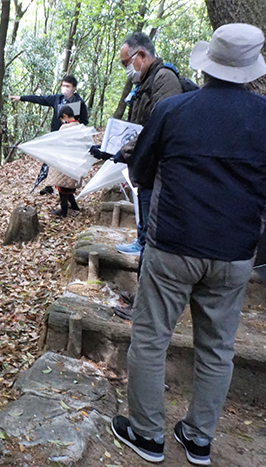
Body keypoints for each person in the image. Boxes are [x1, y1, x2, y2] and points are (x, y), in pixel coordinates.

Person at [110, 23, 266, 465]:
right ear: (253, 71)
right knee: (218, 347)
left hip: (171, 247)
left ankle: (146, 434)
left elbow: (141, 173)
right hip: (235, 254)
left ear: (208, 66)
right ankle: (198, 438)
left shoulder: (173, 110)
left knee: (150, 338)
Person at [90, 31, 184, 319]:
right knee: (146, 228)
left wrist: (126, 152)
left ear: (142, 55)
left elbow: (161, 125)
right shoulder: (143, 84)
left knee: (154, 236)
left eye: (126, 62)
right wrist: (111, 151)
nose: (126, 69)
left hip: (160, 170)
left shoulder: (164, 79)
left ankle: (144, 305)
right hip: (145, 167)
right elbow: (137, 127)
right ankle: (142, 293)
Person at [11, 75, 89, 192]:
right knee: (50, 159)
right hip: (56, 134)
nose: (65, 88)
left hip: (70, 139)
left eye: (67, 86)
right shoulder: (57, 99)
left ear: (74, 88)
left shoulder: (80, 102)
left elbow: (85, 121)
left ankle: (67, 189)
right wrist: (22, 98)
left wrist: (73, 124)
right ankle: (48, 185)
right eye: (63, 85)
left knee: (65, 163)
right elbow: (41, 99)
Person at [43, 106, 83, 217]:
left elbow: (58, 143)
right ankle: (74, 206)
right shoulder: (79, 126)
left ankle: (63, 210)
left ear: (64, 116)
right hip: (75, 162)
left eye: (61, 119)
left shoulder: (65, 128)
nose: (62, 122)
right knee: (69, 186)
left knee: (62, 186)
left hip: (64, 161)